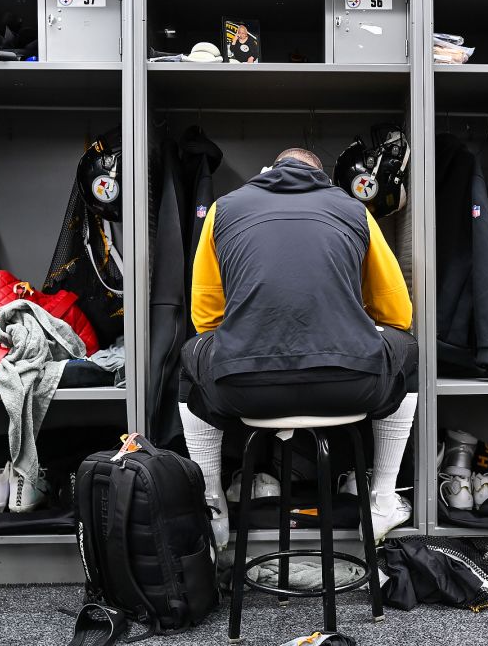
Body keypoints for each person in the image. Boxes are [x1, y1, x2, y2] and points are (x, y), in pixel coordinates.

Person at [178, 147, 418, 549]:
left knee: (192, 356)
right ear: (322, 177)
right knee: (408, 351)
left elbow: (207, 318)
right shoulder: (353, 209)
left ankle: (212, 508)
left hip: (244, 392)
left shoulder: (224, 208)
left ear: (267, 170)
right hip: (348, 387)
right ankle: (381, 501)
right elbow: (399, 313)